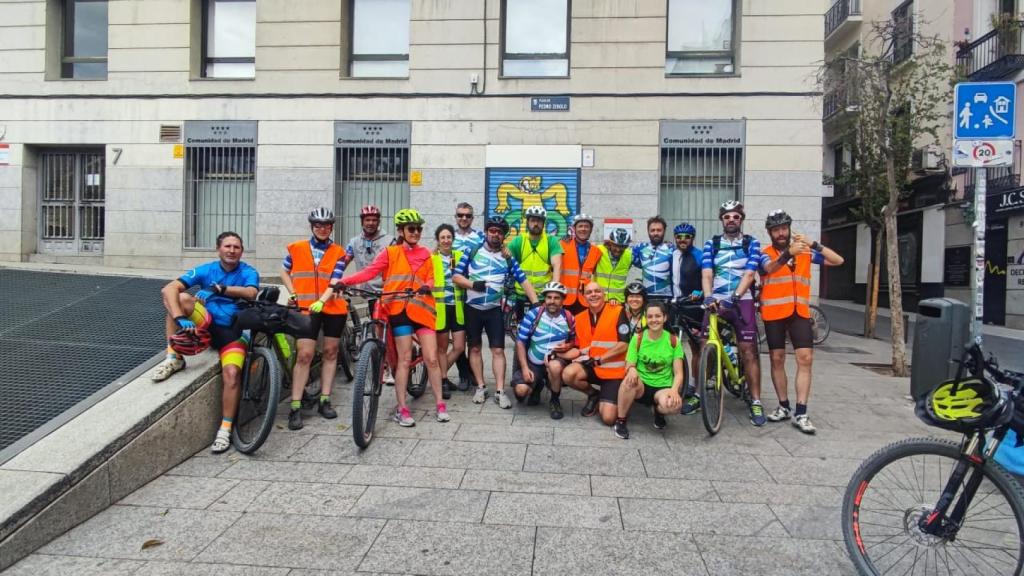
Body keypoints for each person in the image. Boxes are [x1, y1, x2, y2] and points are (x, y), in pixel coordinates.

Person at [338, 209, 449, 427]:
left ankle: (440, 404)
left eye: (419, 228)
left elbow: (431, 277)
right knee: (404, 360)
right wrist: (345, 281)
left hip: (422, 311)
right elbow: (369, 272)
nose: (416, 232)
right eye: (411, 229)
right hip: (399, 311)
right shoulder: (390, 253)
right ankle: (402, 408)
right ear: (401, 231)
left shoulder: (426, 253)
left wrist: (426, 286)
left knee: (432, 358)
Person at [152, 231, 259, 453]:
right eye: (227, 246)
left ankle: (225, 430)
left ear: (241, 251)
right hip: (207, 322)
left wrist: (222, 289)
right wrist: (180, 318)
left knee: (232, 375)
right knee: (178, 299)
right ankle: (174, 357)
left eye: (236, 247)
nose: (231, 250)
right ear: (218, 249)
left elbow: (250, 293)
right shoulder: (206, 269)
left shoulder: (248, 271)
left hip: (233, 331)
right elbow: (168, 289)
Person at [759, 209, 844, 434]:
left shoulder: (805, 252)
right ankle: (783, 405)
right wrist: (788, 253)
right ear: (770, 232)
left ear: (789, 229)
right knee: (777, 359)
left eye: (783, 228)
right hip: (774, 313)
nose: (780, 233)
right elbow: (769, 268)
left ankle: (801, 411)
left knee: (805, 359)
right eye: (776, 229)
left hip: (799, 313)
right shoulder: (764, 253)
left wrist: (813, 243)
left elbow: (837, 260)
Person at [453, 215, 539, 408]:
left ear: (503, 236)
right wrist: (472, 284)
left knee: (498, 350)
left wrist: (536, 305)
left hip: (494, 310)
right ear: (486, 232)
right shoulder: (472, 250)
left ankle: (500, 391)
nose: (495, 234)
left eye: (499, 232)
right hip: (472, 309)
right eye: (492, 231)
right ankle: (481, 387)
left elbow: (523, 280)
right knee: (474, 348)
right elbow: (456, 276)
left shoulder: (508, 257)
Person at [280, 208, 348, 430]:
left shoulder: (338, 251)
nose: (322, 228)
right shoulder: (297, 248)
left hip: (332, 308)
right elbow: (284, 271)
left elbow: (336, 279)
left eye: (326, 225)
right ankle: (296, 406)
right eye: (318, 225)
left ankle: (325, 399)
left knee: (330, 352)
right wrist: (292, 291)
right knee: (305, 355)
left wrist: (323, 299)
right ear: (311, 226)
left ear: (331, 227)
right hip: (305, 308)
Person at [700, 200, 764, 425]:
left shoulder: (751, 243)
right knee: (705, 343)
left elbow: (749, 274)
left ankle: (755, 401)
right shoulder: (712, 243)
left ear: (741, 219)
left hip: (742, 300)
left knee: (748, 351)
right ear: (722, 220)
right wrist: (708, 297)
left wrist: (735, 298)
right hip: (717, 300)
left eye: (735, 216)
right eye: (727, 217)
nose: (731, 220)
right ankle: (705, 389)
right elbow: (707, 273)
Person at [613, 301, 685, 439]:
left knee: (674, 405)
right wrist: (632, 369)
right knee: (628, 380)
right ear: (646, 318)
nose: (654, 320)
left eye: (658, 316)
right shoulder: (638, 338)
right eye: (650, 316)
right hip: (642, 386)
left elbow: (679, 373)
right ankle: (621, 420)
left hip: (662, 387)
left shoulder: (673, 341)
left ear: (664, 318)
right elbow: (629, 364)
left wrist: (674, 391)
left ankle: (659, 412)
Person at [563, 282, 631, 425]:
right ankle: (594, 395)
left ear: (604, 294)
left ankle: (617, 398)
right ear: (584, 297)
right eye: (589, 292)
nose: (593, 295)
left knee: (608, 419)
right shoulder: (579, 317)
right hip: (593, 367)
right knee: (568, 374)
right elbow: (580, 348)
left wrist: (600, 359)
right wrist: (557, 354)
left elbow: (624, 344)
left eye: (597, 291)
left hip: (613, 372)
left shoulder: (618, 311)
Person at [344, 204, 395, 384]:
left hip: (386, 292)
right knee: (376, 330)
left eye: (374, 220)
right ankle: (381, 363)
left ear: (379, 221)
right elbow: (344, 261)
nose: (371, 223)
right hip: (367, 292)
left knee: (384, 330)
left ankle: (388, 367)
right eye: (367, 220)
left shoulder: (389, 241)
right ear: (362, 222)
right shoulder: (354, 242)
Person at [512, 281, 577, 420]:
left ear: (563, 300)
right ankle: (537, 385)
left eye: (556, 298)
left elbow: (574, 341)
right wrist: (524, 368)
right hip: (533, 362)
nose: (552, 301)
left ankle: (554, 400)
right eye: (549, 297)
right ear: (544, 299)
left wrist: (569, 346)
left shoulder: (569, 318)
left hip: (555, 361)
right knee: (520, 392)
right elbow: (520, 342)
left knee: (555, 366)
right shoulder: (533, 315)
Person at [508, 205, 563, 322]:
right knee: (522, 327)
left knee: (543, 327)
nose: (536, 224)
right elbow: (506, 260)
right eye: (533, 220)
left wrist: (553, 291)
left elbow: (557, 265)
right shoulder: (518, 241)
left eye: (539, 221)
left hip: (543, 296)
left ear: (544, 223)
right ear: (527, 222)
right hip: (521, 294)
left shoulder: (551, 241)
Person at [672, 222, 705, 414]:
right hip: (677, 305)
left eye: (687, 237)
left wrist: (700, 291)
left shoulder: (699, 255)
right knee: (673, 345)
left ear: (692, 238)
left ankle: (696, 386)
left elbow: (709, 275)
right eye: (679, 237)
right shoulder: (672, 254)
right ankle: (680, 382)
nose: (683, 240)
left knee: (697, 347)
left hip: (695, 306)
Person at [431, 223, 466, 400]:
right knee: (442, 348)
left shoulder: (459, 256)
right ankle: (443, 380)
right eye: (442, 237)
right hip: (440, 309)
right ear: (438, 240)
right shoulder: (431, 258)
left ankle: (437, 375)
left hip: (458, 308)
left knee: (459, 346)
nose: (446, 240)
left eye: (449, 237)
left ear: (453, 239)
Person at [451, 202, 483, 391]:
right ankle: (464, 373)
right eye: (460, 215)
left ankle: (474, 373)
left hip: (473, 292)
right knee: (458, 336)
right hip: (452, 293)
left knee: (473, 336)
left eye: (468, 216)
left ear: (472, 218)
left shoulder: (480, 237)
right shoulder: (449, 236)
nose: (464, 218)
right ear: (455, 216)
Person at [559, 213, 602, 316]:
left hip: (585, 300)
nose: (583, 229)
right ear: (574, 228)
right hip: (565, 299)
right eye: (580, 226)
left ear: (591, 230)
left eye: (587, 226)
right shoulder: (562, 245)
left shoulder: (596, 251)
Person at [632, 216, 675, 302]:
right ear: (648, 231)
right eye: (652, 230)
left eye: (659, 230)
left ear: (664, 231)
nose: (656, 233)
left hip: (667, 297)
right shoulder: (640, 248)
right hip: (647, 297)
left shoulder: (672, 249)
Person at [594, 228, 633, 304]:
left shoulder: (629, 256)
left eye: (622, 246)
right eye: (615, 245)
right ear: (610, 243)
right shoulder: (598, 250)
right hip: (599, 299)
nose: (618, 249)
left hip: (618, 301)